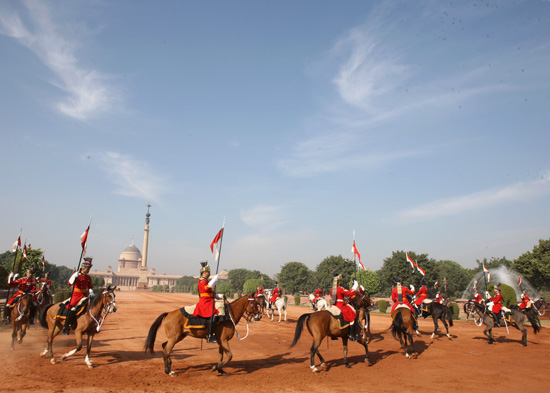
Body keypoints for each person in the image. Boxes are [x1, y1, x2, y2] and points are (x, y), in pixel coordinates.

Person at [63, 257, 94, 335]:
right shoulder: (77, 275)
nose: (88, 270)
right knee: (72, 308)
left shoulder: (88, 277)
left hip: (84, 295)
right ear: (84, 268)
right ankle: (67, 326)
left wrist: (91, 292)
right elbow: (69, 283)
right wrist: (74, 276)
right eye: (88, 268)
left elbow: (90, 286)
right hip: (76, 295)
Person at [193, 261, 222, 343]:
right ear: (204, 273)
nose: (209, 274)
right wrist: (214, 280)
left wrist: (217, 296)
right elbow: (207, 288)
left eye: (209, 272)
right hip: (205, 302)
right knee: (214, 313)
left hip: (209, 300)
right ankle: (210, 335)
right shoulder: (202, 281)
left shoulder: (205, 280)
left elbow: (210, 292)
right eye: (208, 272)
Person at [330, 272, 358, 341]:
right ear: (338, 282)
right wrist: (354, 287)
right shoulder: (340, 288)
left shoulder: (331, 289)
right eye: (340, 281)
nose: (341, 282)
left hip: (333, 305)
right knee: (352, 315)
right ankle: (351, 335)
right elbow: (349, 293)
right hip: (340, 305)